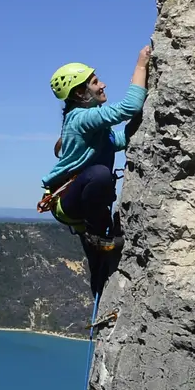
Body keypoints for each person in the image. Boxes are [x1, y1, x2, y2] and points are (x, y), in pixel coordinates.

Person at [39, 44, 151, 296]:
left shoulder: (89, 119)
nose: (102, 85)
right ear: (80, 93)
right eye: (95, 82)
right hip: (71, 200)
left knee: (99, 267)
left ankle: (99, 277)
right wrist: (141, 66)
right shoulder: (81, 117)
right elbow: (129, 108)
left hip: (80, 201)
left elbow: (117, 141)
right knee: (100, 174)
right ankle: (97, 236)